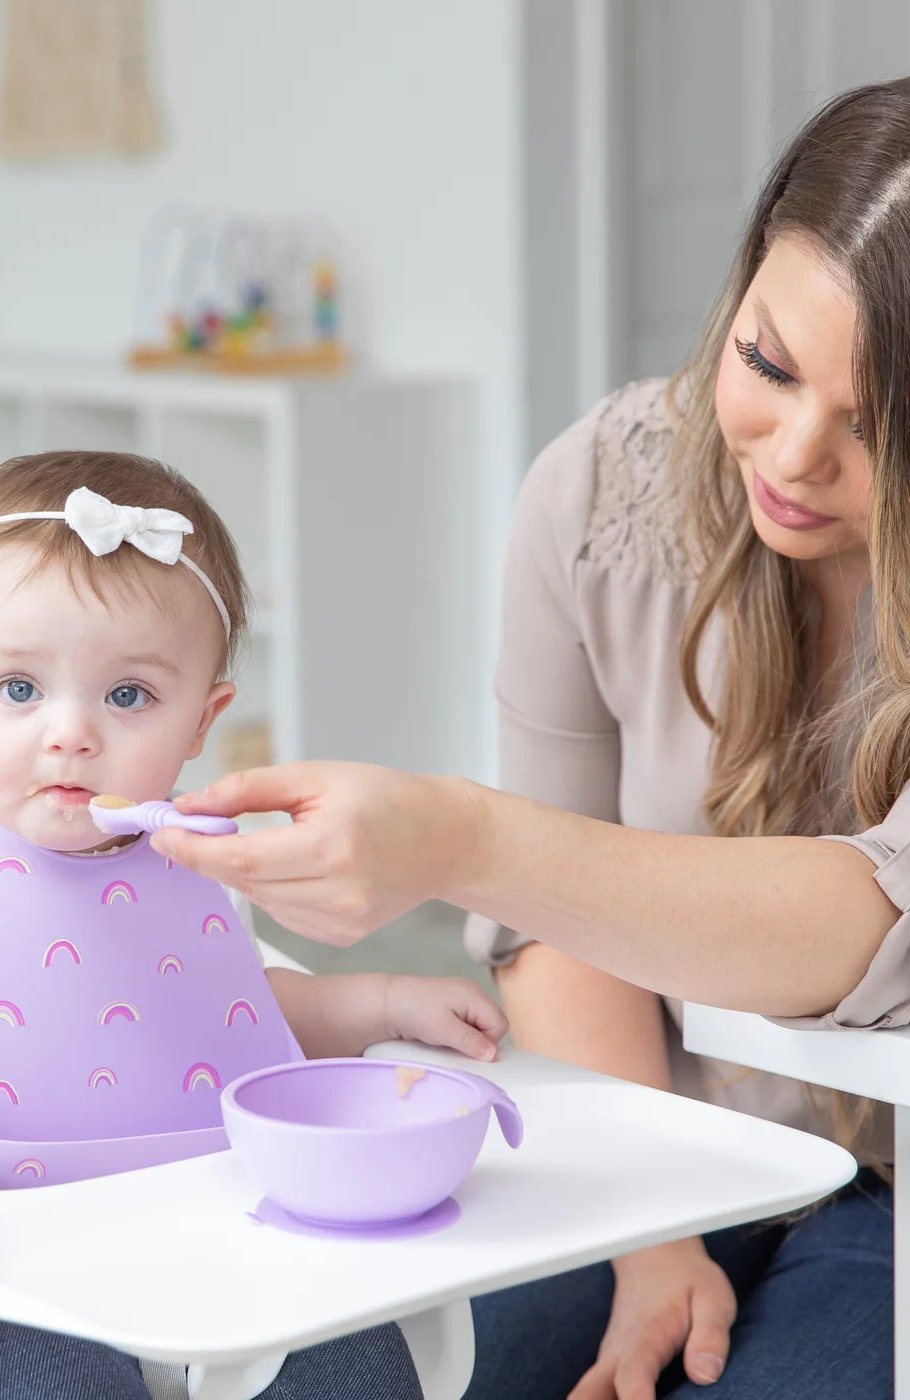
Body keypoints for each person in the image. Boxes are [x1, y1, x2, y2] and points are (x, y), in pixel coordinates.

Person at [151, 80, 910, 1399]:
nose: (791, 455)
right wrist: (649, 1234)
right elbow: (552, 931)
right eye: (769, 365)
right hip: (665, 1127)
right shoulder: (603, 486)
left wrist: (458, 838)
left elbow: (873, 924)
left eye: (881, 429)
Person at [0, 449, 508, 1400]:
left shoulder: (196, 854)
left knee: (358, 1366)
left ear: (205, 720)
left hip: (215, 1232)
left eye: (129, 696)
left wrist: (382, 1003)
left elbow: (226, 1017)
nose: (70, 731)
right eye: (19, 690)